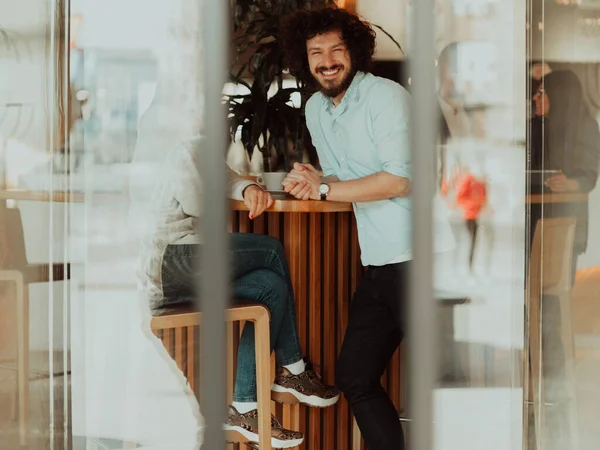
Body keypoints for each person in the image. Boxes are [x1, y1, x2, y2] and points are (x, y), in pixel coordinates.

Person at [280, 7, 453, 450]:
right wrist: (314, 181)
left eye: (336, 49)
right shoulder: (317, 109)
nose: (327, 60)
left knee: (443, 385)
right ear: (305, 60)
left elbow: (399, 179)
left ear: (353, 52)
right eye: (316, 52)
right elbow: (341, 179)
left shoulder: (386, 97)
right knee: (355, 377)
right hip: (378, 261)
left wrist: (322, 191)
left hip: (420, 259)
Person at [137, 137, 339, 449]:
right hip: (172, 258)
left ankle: (244, 408)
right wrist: (235, 185)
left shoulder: (197, 143)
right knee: (271, 250)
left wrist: (244, 187)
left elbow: (225, 175)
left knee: (272, 288)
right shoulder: (178, 141)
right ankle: (293, 369)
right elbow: (198, 201)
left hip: (184, 271)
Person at [531, 70, 600, 280]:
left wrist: (569, 184)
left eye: (542, 91)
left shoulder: (585, 126)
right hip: (534, 219)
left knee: (555, 292)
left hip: (565, 221)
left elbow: (589, 175)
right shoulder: (536, 126)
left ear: (559, 94)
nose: (535, 97)